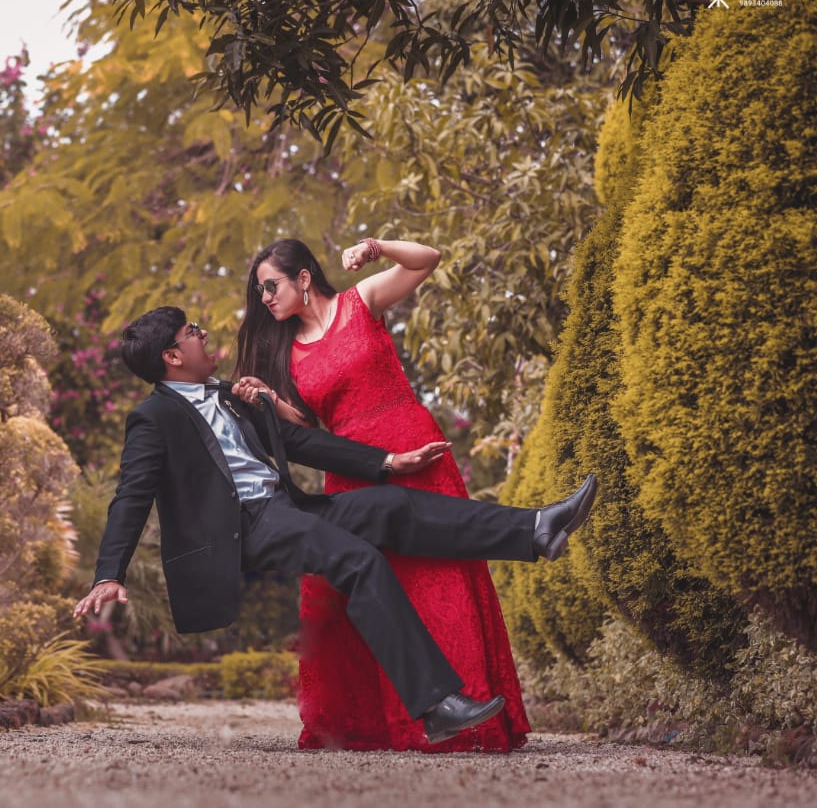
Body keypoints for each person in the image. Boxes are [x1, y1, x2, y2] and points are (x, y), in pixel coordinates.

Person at [74, 306, 597, 745]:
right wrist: (108, 573)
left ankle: (535, 530)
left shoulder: (232, 395)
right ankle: (437, 704)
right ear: (172, 356)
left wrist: (386, 462)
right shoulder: (153, 418)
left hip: (289, 507)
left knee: (393, 507)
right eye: (192, 331)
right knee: (358, 561)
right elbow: (132, 494)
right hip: (248, 527)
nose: (203, 333)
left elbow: (298, 442)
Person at [233, 237, 528, 752]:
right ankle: (394, 723)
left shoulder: (360, 301)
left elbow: (428, 260)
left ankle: (475, 720)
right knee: (372, 585)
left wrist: (375, 247)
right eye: (260, 291)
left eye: (271, 285)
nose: (266, 298)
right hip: (353, 470)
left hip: (413, 444)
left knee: (444, 572)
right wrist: (271, 402)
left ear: (304, 277)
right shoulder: (286, 350)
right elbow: (306, 430)